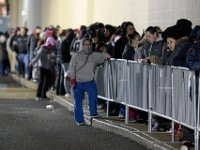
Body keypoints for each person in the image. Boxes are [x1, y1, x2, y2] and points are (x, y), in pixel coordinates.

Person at [67, 38, 110, 125]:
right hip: (78, 82)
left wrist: (106, 54)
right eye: (85, 44)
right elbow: (71, 68)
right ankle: (79, 120)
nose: (87, 46)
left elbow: (106, 56)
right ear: (81, 45)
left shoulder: (95, 55)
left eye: (89, 44)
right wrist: (72, 79)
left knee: (93, 96)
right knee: (78, 101)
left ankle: (93, 113)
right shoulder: (76, 56)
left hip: (89, 81)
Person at [29, 36, 56, 101]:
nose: (51, 47)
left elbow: (52, 58)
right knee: (41, 81)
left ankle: (43, 94)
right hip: (42, 67)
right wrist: (32, 63)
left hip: (48, 67)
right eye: (51, 45)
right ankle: (38, 95)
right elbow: (37, 57)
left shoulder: (51, 50)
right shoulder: (42, 49)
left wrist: (52, 60)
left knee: (47, 82)